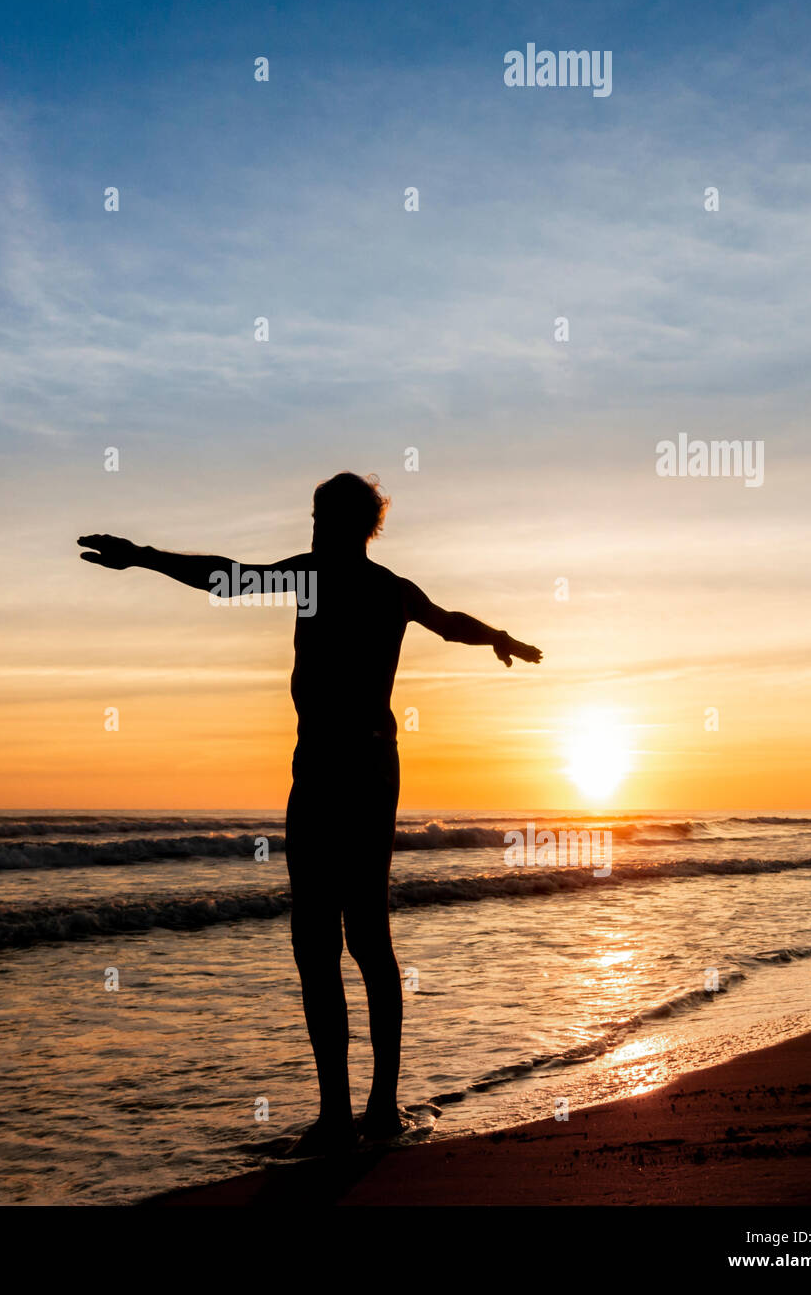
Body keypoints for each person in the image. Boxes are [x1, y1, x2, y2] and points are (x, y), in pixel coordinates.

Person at [78, 471, 542, 1154]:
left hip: (329, 767)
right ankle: (373, 1110)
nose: (314, 526)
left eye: (320, 516)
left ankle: (343, 1115)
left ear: (338, 522)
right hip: (369, 767)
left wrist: (144, 556)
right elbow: (450, 625)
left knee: (323, 940)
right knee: (360, 937)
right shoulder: (390, 589)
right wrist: (498, 635)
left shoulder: (315, 578)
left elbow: (224, 578)